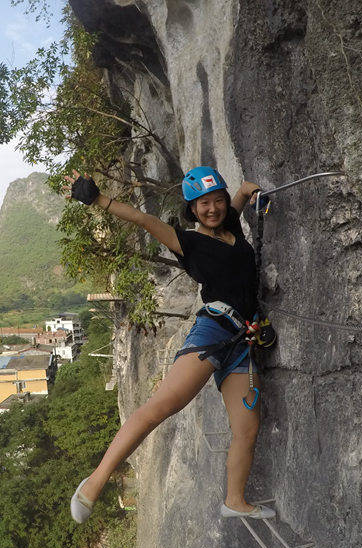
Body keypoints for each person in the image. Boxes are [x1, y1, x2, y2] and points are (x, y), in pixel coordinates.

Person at [65, 166, 275, 523]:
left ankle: (235, 500)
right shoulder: (188, 243)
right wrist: (98, 199)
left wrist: (251, 191)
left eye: (218, 201)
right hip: (213, 332)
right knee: (161, 407)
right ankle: (93, 484)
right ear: (192, 209)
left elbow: (240, 194)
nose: (213, 208)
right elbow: (145, 220)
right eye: (203, 204)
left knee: (247, 427)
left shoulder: (233, 228)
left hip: (242, 339)